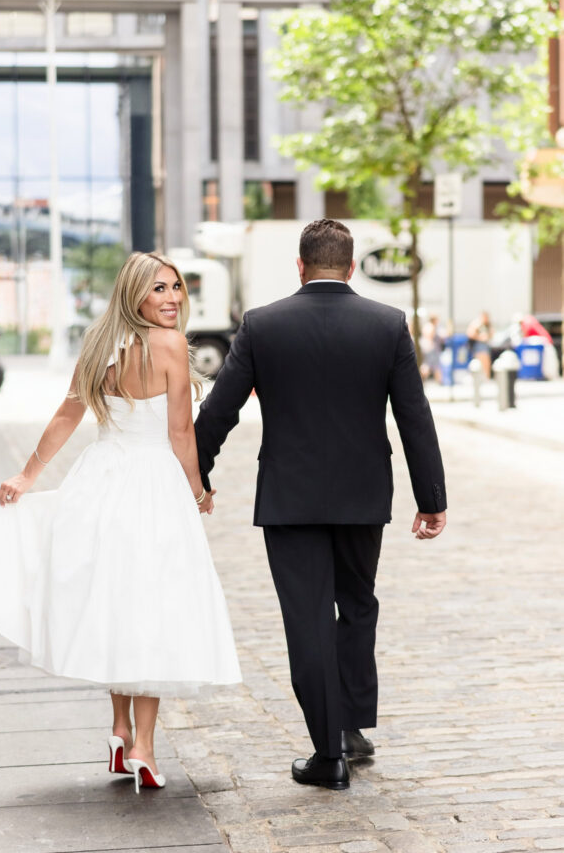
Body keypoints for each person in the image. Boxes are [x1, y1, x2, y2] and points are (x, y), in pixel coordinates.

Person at [0, 252, 241, 794]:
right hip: (153, 485)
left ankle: (117, 730)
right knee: (150, 608)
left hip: (101, 482)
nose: (172, 299)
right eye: (159, 289)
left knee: (114, 601)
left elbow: (67, 416)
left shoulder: (97, 346)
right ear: (135, 293)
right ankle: (145, 748)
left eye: (176, 288)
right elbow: (181, 433)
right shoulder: (171, 346)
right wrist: (198, 489)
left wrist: (28, 474)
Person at [194, 219, 447, 792]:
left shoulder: (262, 325)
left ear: (301, 266)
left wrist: (196, 474)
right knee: (357, 606)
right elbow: (415, 417)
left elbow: (220, 411)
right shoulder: (387, 325)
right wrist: (431, 498)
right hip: (363, 496)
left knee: (307, 619)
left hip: (290, 497)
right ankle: (351, 728)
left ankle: (329, 752)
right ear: (352, 267)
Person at [466, 310, 493, 378]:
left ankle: (486, 377)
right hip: (478, 346)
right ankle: (483, 378)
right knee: (481, 362)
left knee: (487, 362)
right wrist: (480, 337)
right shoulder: (477, 324)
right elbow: (470, 333)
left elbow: (492, 333)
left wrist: (488, 336)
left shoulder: (487, 325)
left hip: (485, 346)